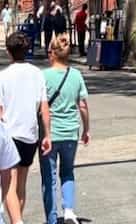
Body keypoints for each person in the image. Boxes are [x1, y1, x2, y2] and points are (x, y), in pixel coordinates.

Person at [0, 32, 51, 224]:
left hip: (9, 134)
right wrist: (47, 134)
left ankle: (17, 221)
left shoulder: (3, 76)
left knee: (8, 185)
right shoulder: (36, 73)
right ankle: (17, 218)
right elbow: (44, 107)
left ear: (9, 52)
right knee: (21, 184)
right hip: (30, 135)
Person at [39, 35, 89, 224]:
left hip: (49, 133)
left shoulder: (43, 76)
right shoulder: (76, 75)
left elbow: (39, 104)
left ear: (52, 53)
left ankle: (52, 218)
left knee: (49, 177)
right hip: (70, 131)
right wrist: (86, 129)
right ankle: (68, 211)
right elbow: (83, 105)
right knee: (67, 171)